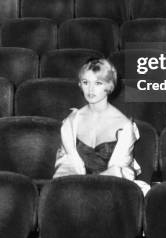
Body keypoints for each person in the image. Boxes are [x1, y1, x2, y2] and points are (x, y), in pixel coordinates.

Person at [53, 58, 150, 195]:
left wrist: (91, 187)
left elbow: (120, 170)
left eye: (98, 83)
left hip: (112, 189)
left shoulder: (124, 126)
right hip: (76, 189)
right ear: (80, 84)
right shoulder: (71, 122)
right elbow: (66, 164)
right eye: (86, 82)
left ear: (109, 86)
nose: (91, 89)